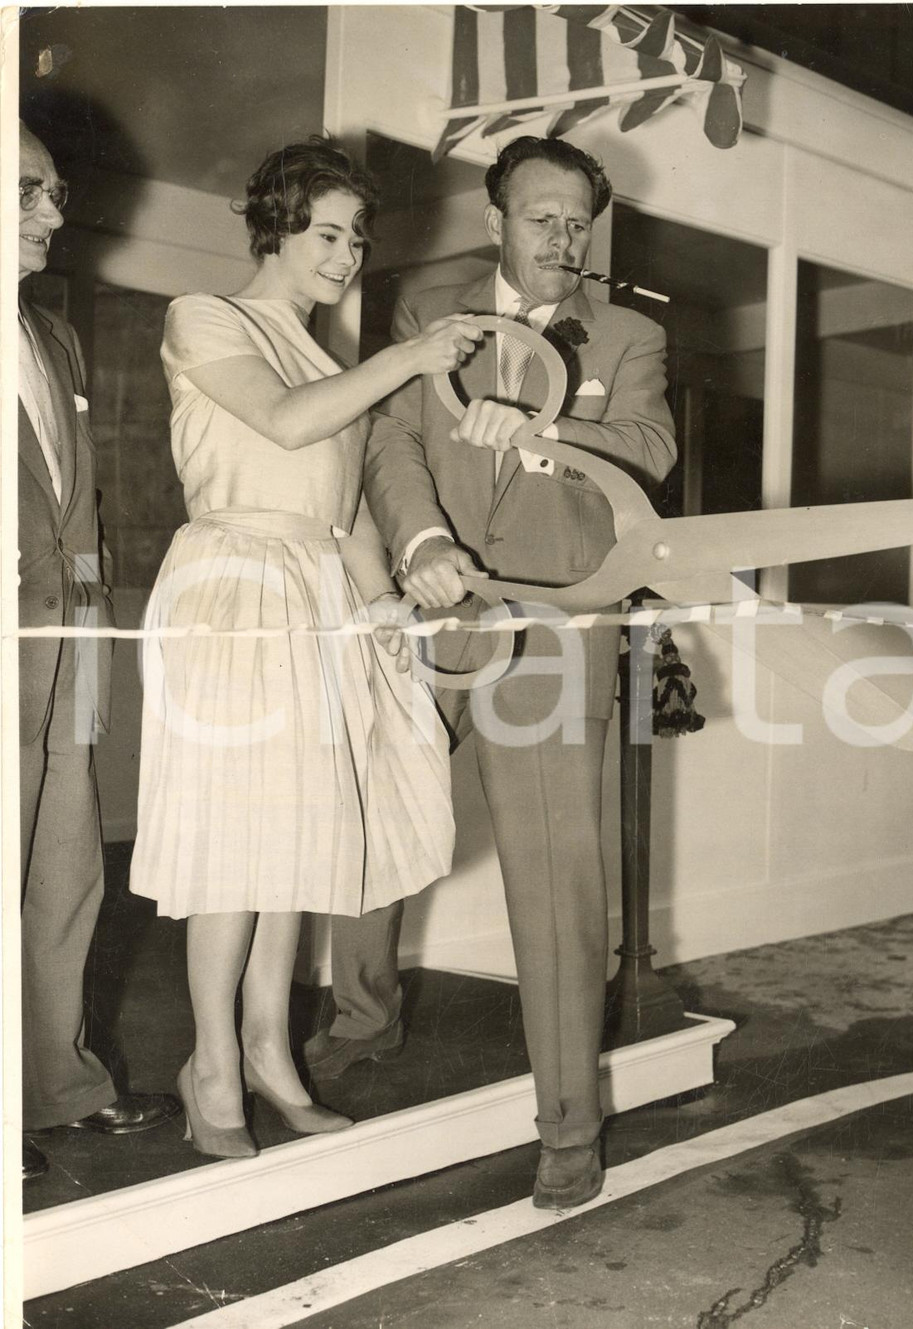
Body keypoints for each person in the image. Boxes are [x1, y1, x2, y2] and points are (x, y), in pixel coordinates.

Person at [306, 136, 676, 1208]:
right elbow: (392, 444)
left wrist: (549, 427)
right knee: (375, 823)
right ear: (496, 222)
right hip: (436, 610)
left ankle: (567, 1124)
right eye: (540, 216)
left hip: (560, 631)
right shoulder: (430, 319)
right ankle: (362, 1020)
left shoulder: (631, 335)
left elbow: (648, 447)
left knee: (558, 880)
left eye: (577, 220)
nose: (562, 237)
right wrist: (420, 545)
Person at [128, 137, 480, 1159]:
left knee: (296, 845)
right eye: (328, 232)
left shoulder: (333, 359)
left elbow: (346, 512)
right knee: (237, 845)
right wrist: (408, 358)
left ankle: (270, 1051)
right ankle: (212, 1070)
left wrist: (385, 610)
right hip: (236, 581)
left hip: (318, 586)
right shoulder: (205, 318)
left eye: (357, 239)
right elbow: (284, 427)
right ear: (275, 226)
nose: (346, 254)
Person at [17, 122, 179, 1183]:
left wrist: (94, 629)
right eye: (27, 189)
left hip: (62, 634)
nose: (52, 211)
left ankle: (56, 1086)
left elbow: (83, 502)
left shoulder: (56, 338)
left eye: (56, 190)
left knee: (66, 870)